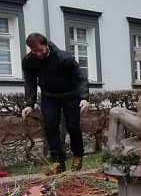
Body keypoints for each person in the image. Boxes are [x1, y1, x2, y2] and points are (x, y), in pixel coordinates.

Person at [21, 32, 90, 174]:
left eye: (41, 50)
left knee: (73, 126)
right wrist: (29, 103)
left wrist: (84, 98)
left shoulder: (64, 58)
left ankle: (77, 156)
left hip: (70, 95)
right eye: (35, 51)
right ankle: (58, 161)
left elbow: (81, 78)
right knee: (50, 127)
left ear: (46, 45)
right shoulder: (29, 61)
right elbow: (30, 82)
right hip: (49, 97)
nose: (38, 54)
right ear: (30, 49)